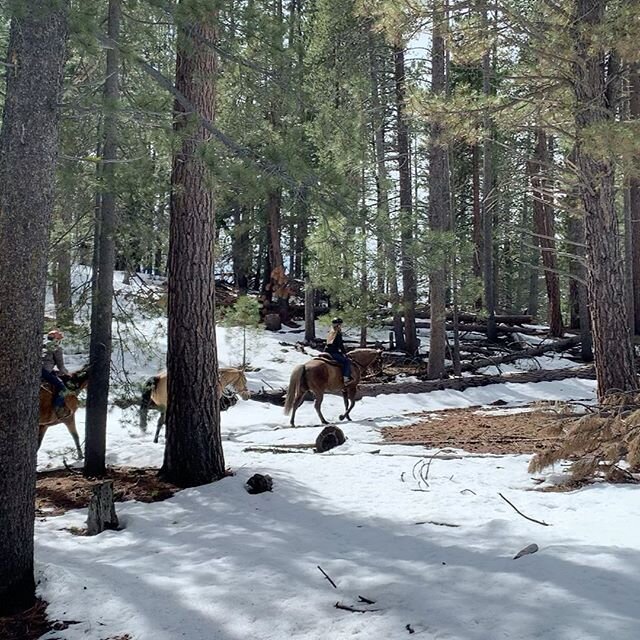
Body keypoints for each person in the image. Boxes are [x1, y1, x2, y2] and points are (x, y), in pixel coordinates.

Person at [41, 329, 71, 419]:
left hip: (36, 370)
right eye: (59, 339)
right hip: (45, 371)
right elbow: (60, 366)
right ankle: (58, 408)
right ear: (56, 339)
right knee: (62, 388)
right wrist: (67, 373)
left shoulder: (42, 344)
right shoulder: (56, 348)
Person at [326, 317, 352, 385]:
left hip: (327, 352)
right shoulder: (337, 333)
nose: (341, 326)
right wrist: (344, 353)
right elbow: (340, 345)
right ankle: (346, 378)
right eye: (340, 324)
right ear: (338, 325)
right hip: (333, 352)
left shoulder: (331, 332)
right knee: (347, 361)